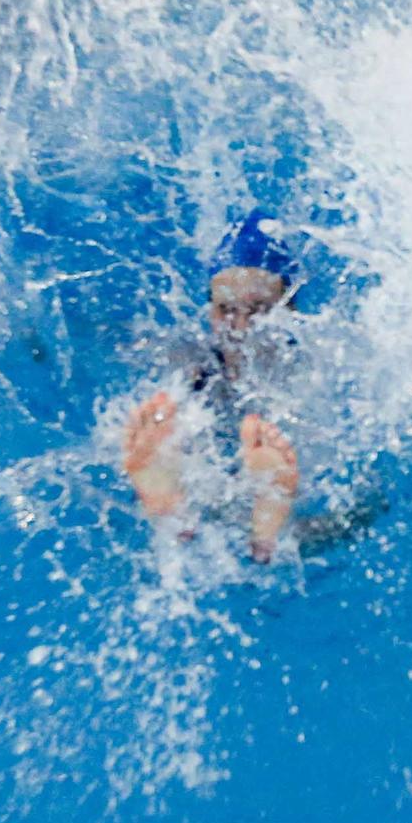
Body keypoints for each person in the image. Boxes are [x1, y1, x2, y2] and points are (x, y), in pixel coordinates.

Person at [119, 211, 305, 563]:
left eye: (258, 310)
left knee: (345, 520)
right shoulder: (186, 361)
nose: (238, 326)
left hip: (276, 480)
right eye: (226, 309)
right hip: (224, 473)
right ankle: (175, 510)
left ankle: (265, 527)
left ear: (289, 311)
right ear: (209, 312)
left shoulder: (313, 379)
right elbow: (102, 340)